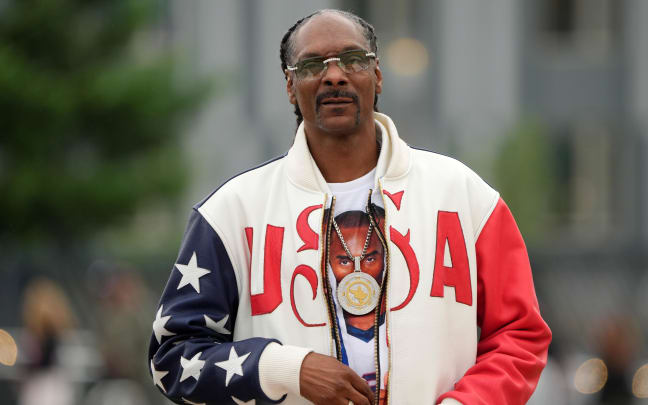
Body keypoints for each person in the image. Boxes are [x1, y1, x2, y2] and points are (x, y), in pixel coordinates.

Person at [148, 9, 551, 405]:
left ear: (377, 76)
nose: (335, 74)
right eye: (311, 65)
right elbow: (173, 357)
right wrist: (288, 368)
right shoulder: (232, 213)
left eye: (354, 60)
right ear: (290, 86)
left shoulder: (464, 197)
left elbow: (521, 334)